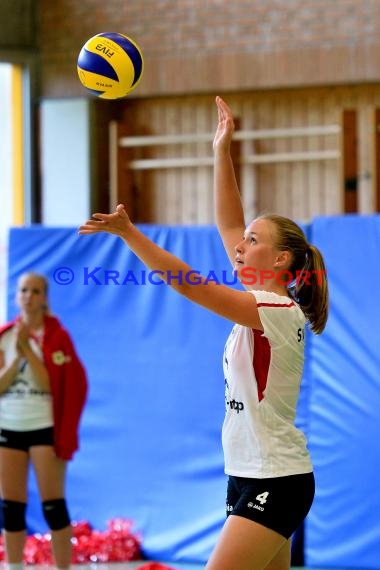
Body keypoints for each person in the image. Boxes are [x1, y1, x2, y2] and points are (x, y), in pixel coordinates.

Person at [79, 96, 328, 570]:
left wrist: (132, 235)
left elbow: (188, 284)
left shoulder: (275, 308)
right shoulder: (261, 302)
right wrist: (221, 151)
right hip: (250, 474)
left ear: (280, 261)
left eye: (253, 240)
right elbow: (229, 221)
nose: (240, 243)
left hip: (275, 477)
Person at [0, 272, 88, 570]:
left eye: (35, 291)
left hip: (44, 427)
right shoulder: (6, 335)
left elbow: (56, 383)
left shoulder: (56, 336)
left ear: (44, 297)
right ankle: (13, 566)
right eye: (24, 290)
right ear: (17, 295)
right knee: (11, 506)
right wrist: (15, 358)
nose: (28, 296)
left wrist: (27, 348)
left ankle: (63, 567)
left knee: (53, 504)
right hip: (9, 425)